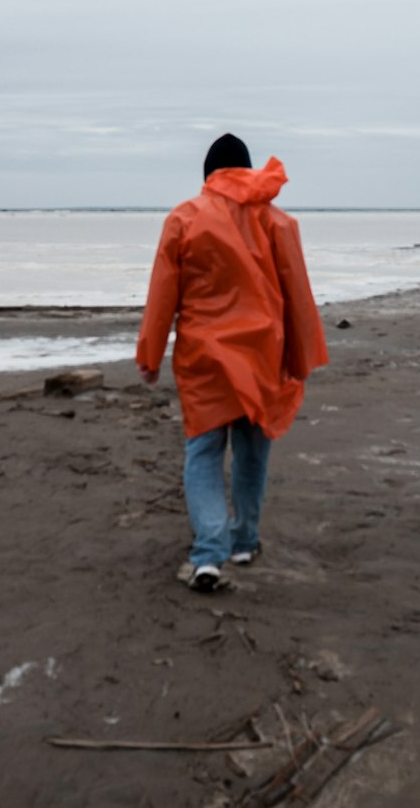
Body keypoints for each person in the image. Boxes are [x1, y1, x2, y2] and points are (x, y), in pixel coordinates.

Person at [136, 134, 329, 592]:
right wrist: (300, 360)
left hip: (203, 358)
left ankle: (209, 554)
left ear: (208, 176)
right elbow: (298, 296)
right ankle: (243, 541)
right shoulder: (277, 222)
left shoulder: (184, 218)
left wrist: (150, 355)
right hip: (262, 356)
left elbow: (164, 292)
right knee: (252, 451)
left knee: (202, 452)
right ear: (247, 171)